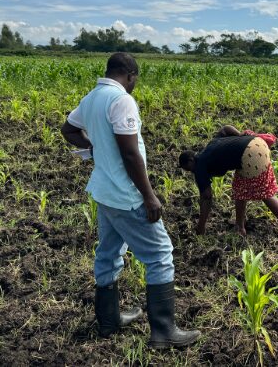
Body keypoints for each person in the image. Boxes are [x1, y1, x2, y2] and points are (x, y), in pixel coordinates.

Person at [61, 52, 199, 349]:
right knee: (160, 255)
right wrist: (149, 196)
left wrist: (94, 147)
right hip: (126, 197)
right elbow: (130, 153)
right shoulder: (121, 99)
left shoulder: (93, 97)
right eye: (136, 79)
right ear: (131, 74)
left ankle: (109, 321)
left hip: (104, 192)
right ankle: (164, 332)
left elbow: (69, 129)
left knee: (108, 253)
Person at [179, 125, 278, 242]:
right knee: (240, 188)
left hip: (250, 155)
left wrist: (200, 227)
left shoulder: (200, 167)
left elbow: (206, 197)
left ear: (191, 160)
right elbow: (225, 129)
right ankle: (239, 227)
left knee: (262, 192)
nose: (191, 172)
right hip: (258, 143)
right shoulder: (210, 146)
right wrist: (240, 136)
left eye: (188, 169)